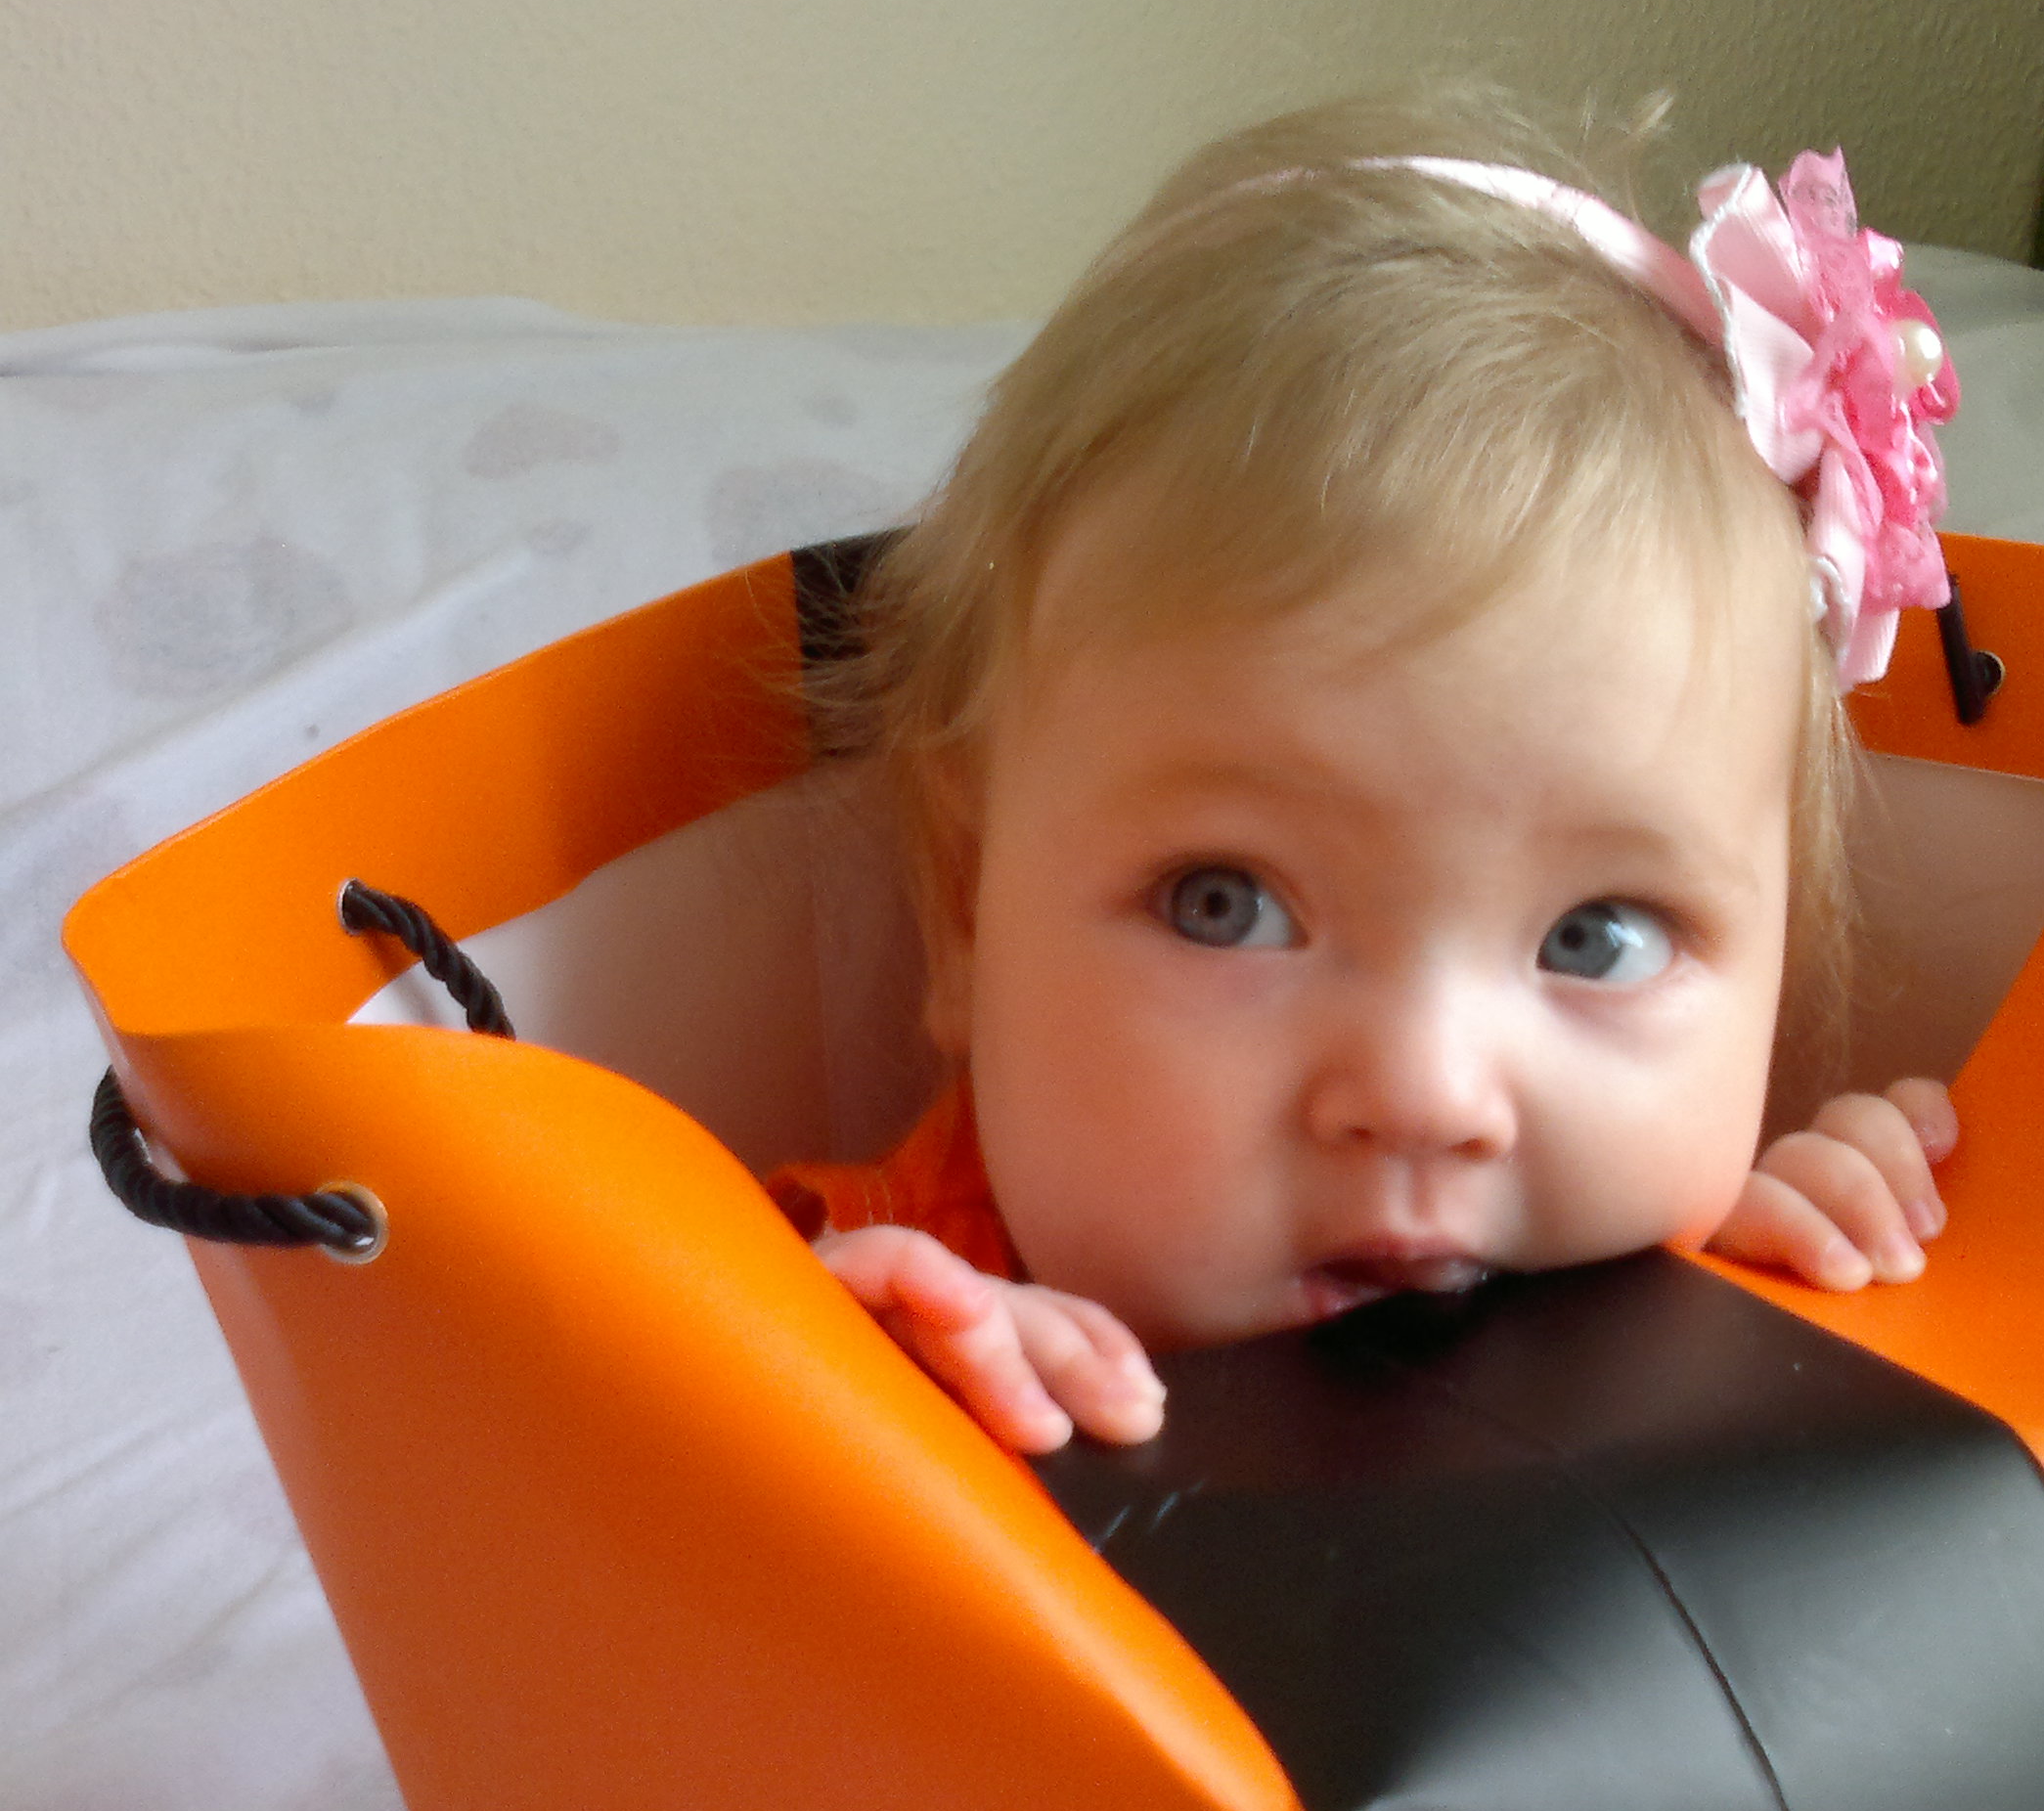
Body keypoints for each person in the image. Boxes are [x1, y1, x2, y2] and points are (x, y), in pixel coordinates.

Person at [773, 90, 1962, 1454]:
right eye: (1225, 904)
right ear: (967, 909)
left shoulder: (1714, 1286)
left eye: (1599, 937)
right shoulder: (852, 1319)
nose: (1425, 1097)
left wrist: (1802, 1307)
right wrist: (821, 1431)